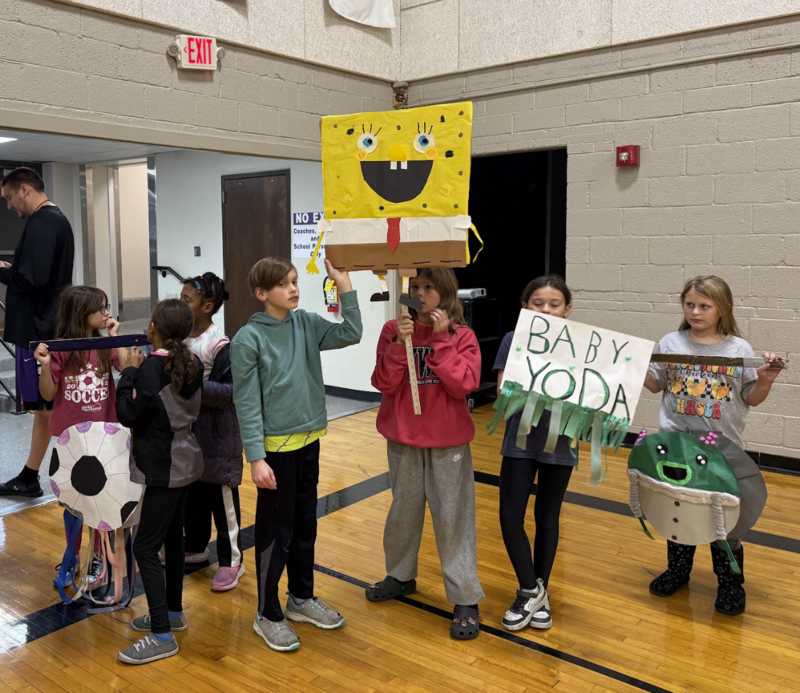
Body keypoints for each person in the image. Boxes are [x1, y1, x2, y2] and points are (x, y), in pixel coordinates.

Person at [231, 256, 361, 652]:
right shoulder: (247, 340)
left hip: (309, 442)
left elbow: (352, 332)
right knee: (276, 532)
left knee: (306, 525)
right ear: (261, 293)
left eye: (294, 281)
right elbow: (247, 403)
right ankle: (267, 613)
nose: (293, 288)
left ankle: (301, 599)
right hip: (275, 452)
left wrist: (344, 284)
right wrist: (255, 457)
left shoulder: (306, 323)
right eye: (283, 284)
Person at [643, 275, 780, 615]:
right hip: (676, 446)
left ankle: (731, 583)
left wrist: (765, 380)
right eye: (690, 304)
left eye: (704, 306)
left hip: (721, 449)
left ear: (722, 308)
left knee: (724, 521)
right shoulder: (670, 342)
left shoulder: (738, 349)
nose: (695, 311)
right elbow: (654, 385)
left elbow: (752, 397)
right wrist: (632, 364)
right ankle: (678, 571)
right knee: (679, 510)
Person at [366, 268, 484, 640]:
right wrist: (398, 346)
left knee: (453, 518)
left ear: (444, 293)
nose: (419, 293)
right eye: (413, 287)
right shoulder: (392, 331)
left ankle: (465, 596)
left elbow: (463, 384)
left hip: (448, 443)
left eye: (427, 287)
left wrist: (440, 340)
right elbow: (382, 383)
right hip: (403, 439)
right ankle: (400, 575)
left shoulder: (462, 335)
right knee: (402, 512)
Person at [115, 299, 204, 664]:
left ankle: (162, 635)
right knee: (171, 539)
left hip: (164, 467)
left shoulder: (152, 367)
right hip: (186, 462)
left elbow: (126, 414)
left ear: (152, 328)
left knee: (144, 549)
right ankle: (172, 613)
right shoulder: (192, 361)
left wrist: (127, 372)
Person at [493, 275, 575, 632]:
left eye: (554, 304)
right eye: (537, 303)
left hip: (561, 442)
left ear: (567, 310)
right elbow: (502, 395)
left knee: (547, 519)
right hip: (520, 441)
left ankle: (537, 592)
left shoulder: (581, 345)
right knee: (510, 517)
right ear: (524, 308)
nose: (546, 309)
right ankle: (530, 589)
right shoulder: (512, 340)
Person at [0, 167, 74, 498]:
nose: (9, 206)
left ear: (25, 189)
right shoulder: (53, 221)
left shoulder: (44, 223)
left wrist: (5, 274)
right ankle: (31, 474)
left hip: (40, 330)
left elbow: (33, 280)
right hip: (45, 327)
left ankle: (39, 475)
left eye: (9, 197)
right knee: (44, 409)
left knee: (47, 408)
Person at [180, 273, 245, 591]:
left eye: (186, 301)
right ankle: (194, 546)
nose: (181, 305)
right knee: (193, 495)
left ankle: (233, 561)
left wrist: (192, 384)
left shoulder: (220, 344)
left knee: (222, 501)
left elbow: (231, 392)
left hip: (218, 437)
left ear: (206, 306)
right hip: (189, 435)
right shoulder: (179, 339)